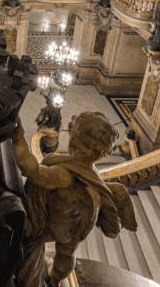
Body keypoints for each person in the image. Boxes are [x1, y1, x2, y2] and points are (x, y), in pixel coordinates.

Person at [10, 113, 137, 287]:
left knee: (31, 246)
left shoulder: (63, 175)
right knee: (66, 254)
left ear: (73, 141)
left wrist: (18, 138)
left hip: (56, 223)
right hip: (81, 223)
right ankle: (54, 279)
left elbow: (32, 171)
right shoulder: (92, 173)